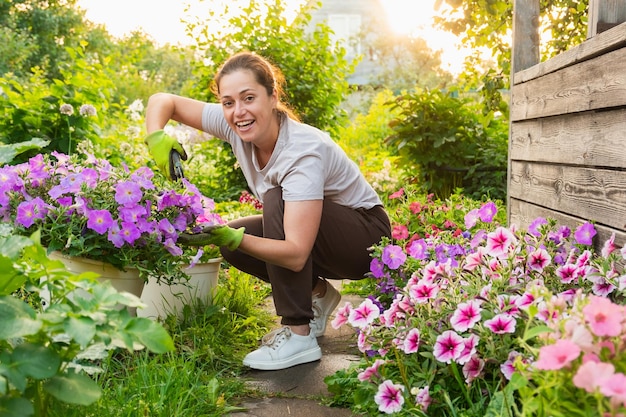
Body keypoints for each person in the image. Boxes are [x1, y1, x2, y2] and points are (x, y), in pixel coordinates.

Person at [144, 51, 391, 371]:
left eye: (249, 98)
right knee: (235, 241)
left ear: (273, 96)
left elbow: (295, 253)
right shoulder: (233, 121)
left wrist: (237, 238)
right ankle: (318, 296)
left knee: (274, 201)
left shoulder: (301, 151)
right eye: (228, 101)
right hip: (324, 232)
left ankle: (298, 334)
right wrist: (155, 136)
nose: (238, 112)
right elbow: (165, 100)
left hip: (366, 241)